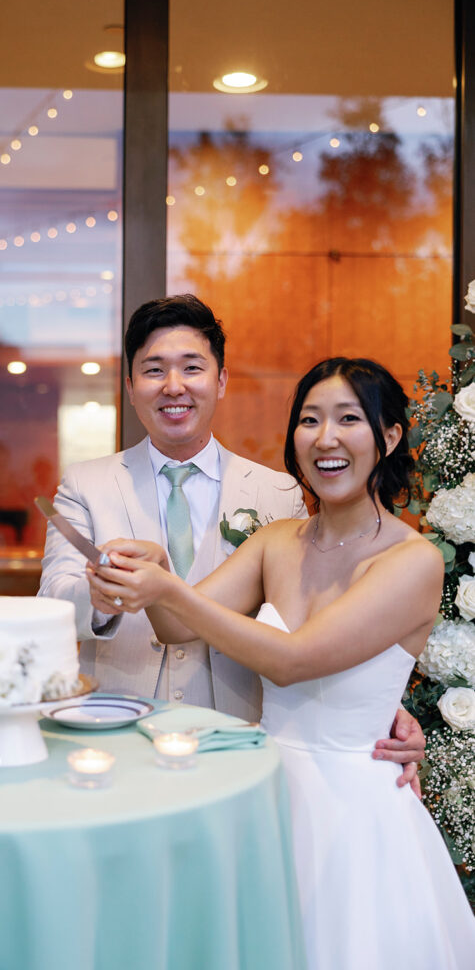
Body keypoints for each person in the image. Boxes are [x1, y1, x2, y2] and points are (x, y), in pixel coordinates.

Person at [87, 357, 475, 970]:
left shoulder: (413, 560)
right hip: (262, 794)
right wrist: (158, 569)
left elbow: (297, 661)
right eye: (309, 420)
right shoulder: (275, 542)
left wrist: (168, 587)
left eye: (348, 419)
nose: (325, 438)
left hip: (355, 809)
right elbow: (175, 625)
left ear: (390, 435)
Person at [39, 296, 423, 784]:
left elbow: (325, 617)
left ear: (221, 381)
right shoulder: (85, 484)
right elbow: (53, 600)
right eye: (154, 370)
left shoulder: (277, 492)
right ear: (131, 386)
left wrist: (382, 707)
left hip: (240, 736)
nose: (173, 386)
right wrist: (99, 598)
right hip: (118, 731)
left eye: (192, 368)